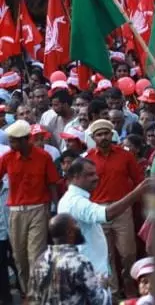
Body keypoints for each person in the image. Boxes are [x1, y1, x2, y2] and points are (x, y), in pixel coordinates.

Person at [55, 156, 148, 291]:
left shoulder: (76, 199)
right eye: (90, 174)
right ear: (75, 177)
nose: (96, 178)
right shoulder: (75, 201)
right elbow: (106, 214)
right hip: (88, 273)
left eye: (95, 173)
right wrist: (137, 192)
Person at [84, 117, 144, 298]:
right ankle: (114, 294)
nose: (103, 137)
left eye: (106, 133)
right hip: (99, 212)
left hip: (122, 209)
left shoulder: (125, 156)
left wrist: (133, 203)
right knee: (106, 256)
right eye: (99, 134)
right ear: (94, 138)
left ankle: (131, 289)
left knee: (128, 253)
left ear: (112, 135)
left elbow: (139, 181)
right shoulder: (88, 160)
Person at [0, 119, 62, 293]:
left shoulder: (44, 157)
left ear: (25, 140)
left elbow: (52, 184)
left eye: (13, 140)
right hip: (15, 212)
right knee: (20, 258)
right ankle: (30, 293)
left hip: (38, 210)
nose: (9, 143)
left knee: (35, 257)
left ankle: (39, 296)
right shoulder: (7, 158)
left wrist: (55, 211)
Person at [28, 213, 108, 305]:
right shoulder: (80, 262)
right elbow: (99, 300)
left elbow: (34, 298)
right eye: (76, 224)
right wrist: (102, 284)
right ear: (69, 233)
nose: (79, 227)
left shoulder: (40, 260)